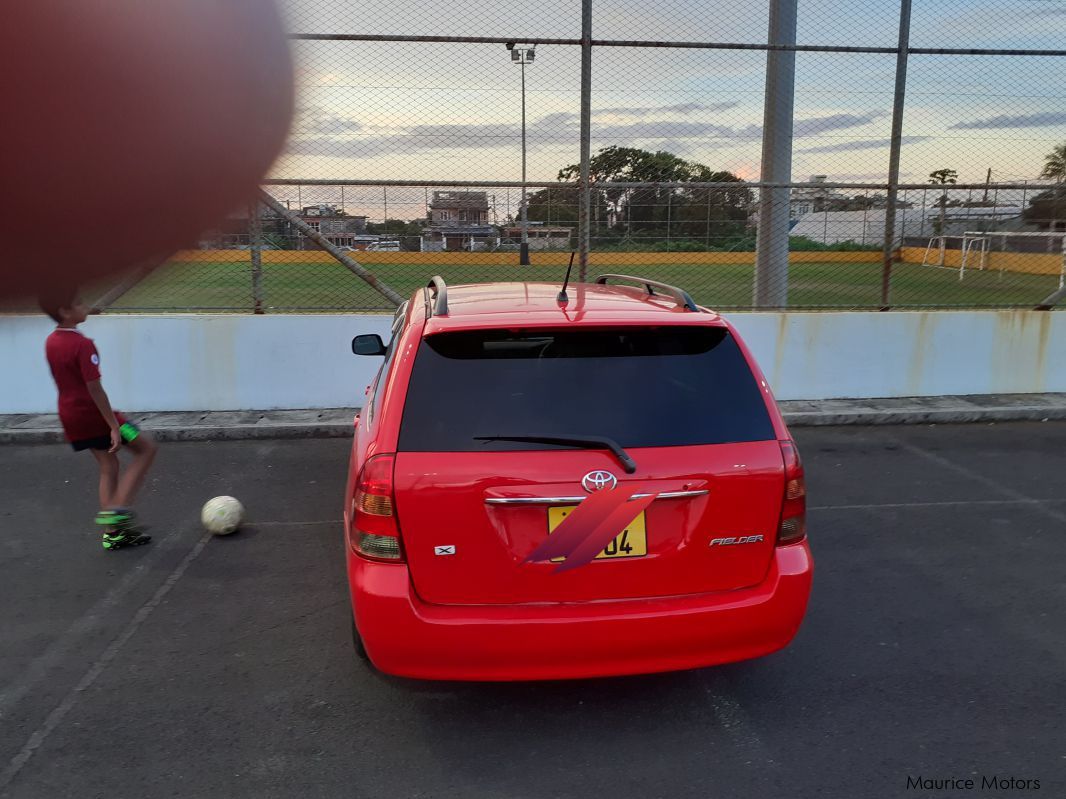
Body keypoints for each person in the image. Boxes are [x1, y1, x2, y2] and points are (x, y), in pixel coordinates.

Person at [40, 290, 157, 550]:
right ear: (64, 311)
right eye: (79, 302)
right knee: (146, 448)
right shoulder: (83, 345)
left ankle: (113, 534)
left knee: (108, 465)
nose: (86, 305)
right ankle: (118, 510)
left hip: (71, 416)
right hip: (96, 416)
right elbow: (94, 388)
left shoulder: (51, 341)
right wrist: (114, 426)